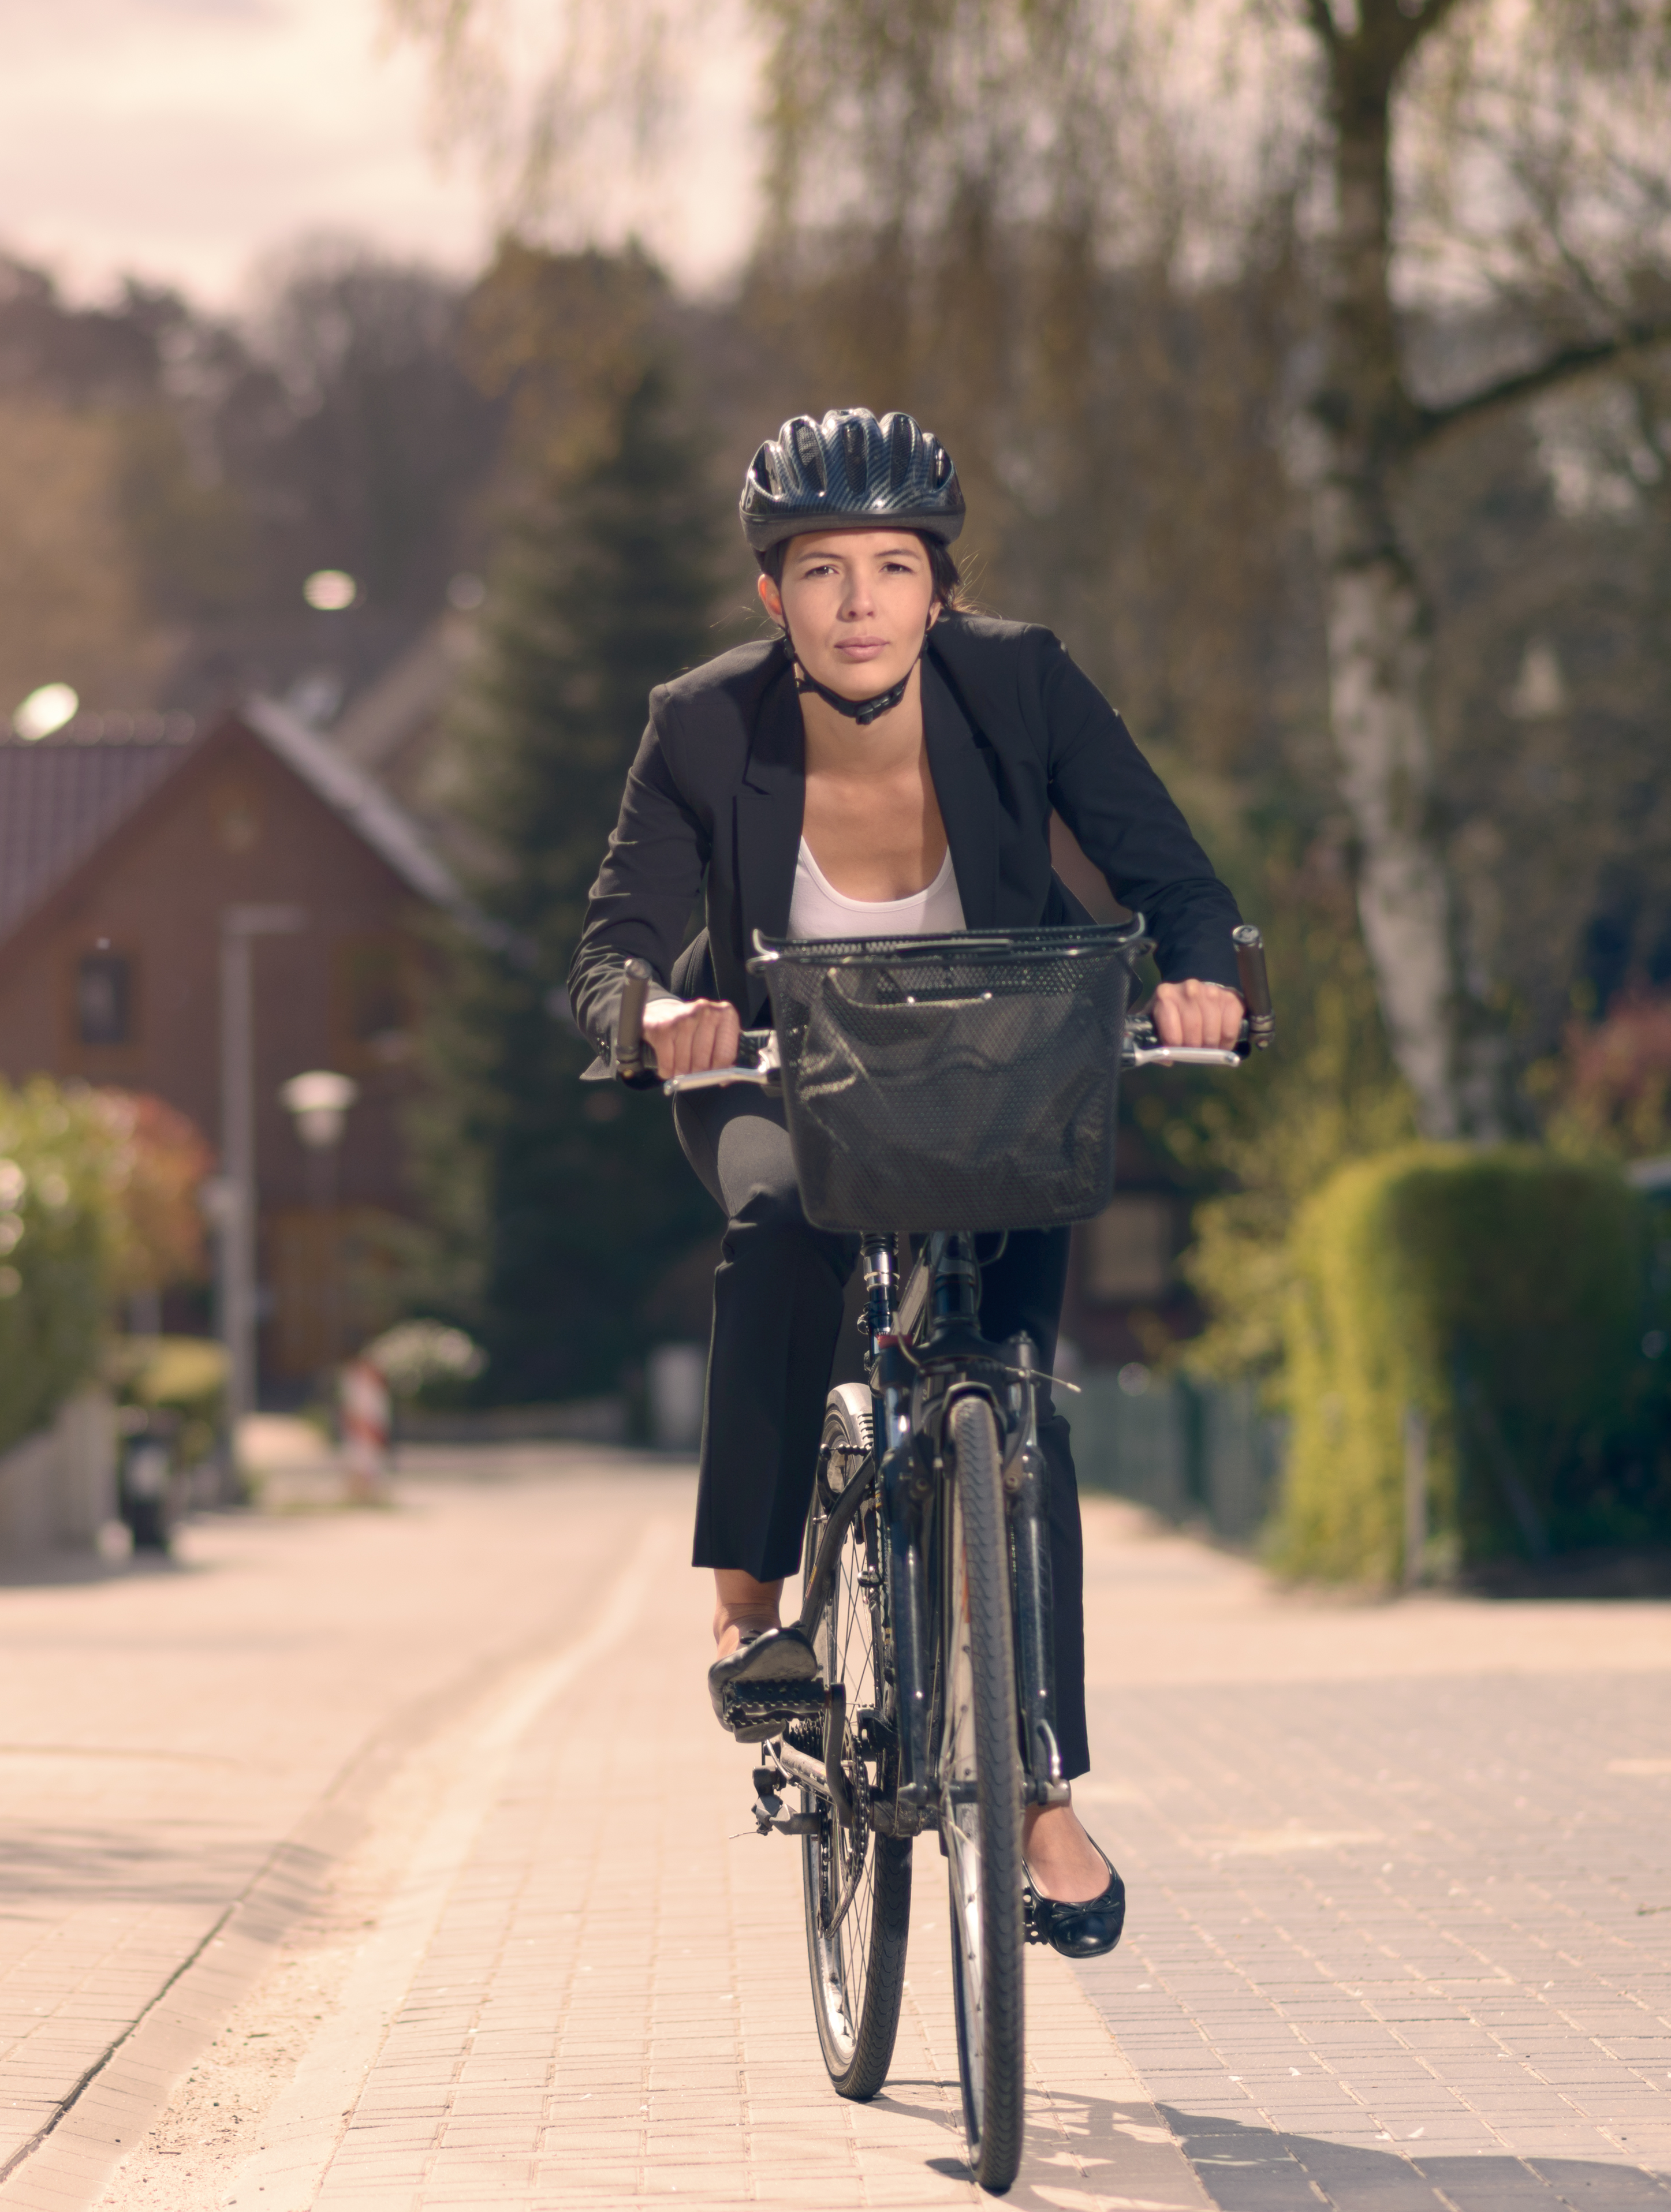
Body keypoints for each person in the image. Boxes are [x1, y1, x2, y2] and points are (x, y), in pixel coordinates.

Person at [569, 408, 1247, 1960]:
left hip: (997, 1083)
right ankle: (752, 1606)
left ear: (940, 588)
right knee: (781, 1225)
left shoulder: (1025, 686)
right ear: (772, 596)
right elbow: (618, 933)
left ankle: (1043, 1788)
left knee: (1015, 1398)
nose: (861, 601)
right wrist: (656, 1015)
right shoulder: (700, 727)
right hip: (776, 1082)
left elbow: (1175, 879)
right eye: (823, 570)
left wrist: (1201, 979)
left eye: (894, 566)